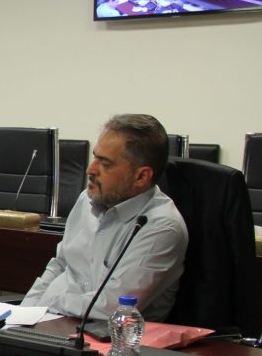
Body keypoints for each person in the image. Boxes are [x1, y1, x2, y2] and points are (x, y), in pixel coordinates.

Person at [21, 114, 188, 322]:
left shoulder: (162, 226)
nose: (90, 169)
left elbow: (112, 307)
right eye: (95, 157)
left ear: (141, 177)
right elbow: (60, 265)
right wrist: (21, 314)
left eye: (106, 164)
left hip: (109, 336)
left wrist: (50, 302)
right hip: (55, 322)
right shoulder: (86, 199)